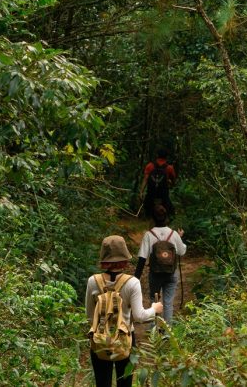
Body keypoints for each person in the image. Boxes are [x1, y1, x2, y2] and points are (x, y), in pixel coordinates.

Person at [86, 235, 163, 387]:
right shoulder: (132, 283)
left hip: (99, 340)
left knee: (102, 383)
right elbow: (139, 316)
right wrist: (154, 309)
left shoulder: (92, 281)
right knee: (125, 383)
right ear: (124, 259)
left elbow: (89, 315)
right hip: (125, 340)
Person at [134, 205, 186, 326]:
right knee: (168, 302)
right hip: (171, 273)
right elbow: (181, 251)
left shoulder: (149, 234)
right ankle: (168, 331)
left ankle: (153, 330)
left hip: (155, 274)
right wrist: (180, 238)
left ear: (153, 218)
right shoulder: (173, 234)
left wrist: (135, 278)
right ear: (166, 217)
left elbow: (142, 258)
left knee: (154, 299)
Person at [139, 149, 177, 217]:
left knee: (147, 208)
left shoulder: (150, 166)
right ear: (166, 157)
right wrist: (170, 183)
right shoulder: (169, 168)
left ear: (157, 156)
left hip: (151, 194)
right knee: (171, 211)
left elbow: (145, 179)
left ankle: (146, 218)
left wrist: (141, 191)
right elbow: (173, 181)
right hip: (163, 195)